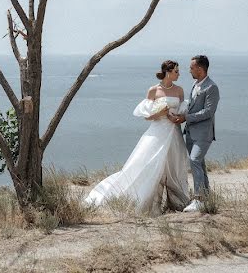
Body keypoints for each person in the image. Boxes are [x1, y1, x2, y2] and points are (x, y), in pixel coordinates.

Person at [84, 60, 191, 215]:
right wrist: (160, 114)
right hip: (157, 132)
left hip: (174, 132)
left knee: (174, 166)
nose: (179, 74)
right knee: (149, 165)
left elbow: (182, 111)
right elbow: (148, 117)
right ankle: (149, 205)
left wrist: (179, 118)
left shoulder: (179, 90)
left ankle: (176, 202)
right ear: (168, 72)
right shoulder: (153, 90)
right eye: (176, 71)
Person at [168, 54, 219, 212]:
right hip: (190, 133)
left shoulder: (211, 87)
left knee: (194, 160)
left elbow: (208, 112)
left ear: (200, 68)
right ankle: (206, 197)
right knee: (200, 165)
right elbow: (192, 106)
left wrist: (186, 117)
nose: (189, 70)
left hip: (203, 134)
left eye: (191, 67)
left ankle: (198, 200)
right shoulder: (196, 84)